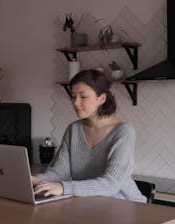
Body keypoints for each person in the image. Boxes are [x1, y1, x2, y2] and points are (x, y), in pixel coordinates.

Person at [32, 69, 147, 202]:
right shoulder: (74, 129)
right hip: (91, 206)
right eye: (73, 96)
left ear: (102, 98)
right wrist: (37, 179)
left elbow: (111, 184)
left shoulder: (123, 132)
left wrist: (64, 188)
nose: (75, 102)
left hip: (126, 206)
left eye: (83, 96)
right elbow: (59, 172)